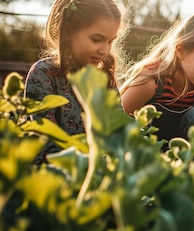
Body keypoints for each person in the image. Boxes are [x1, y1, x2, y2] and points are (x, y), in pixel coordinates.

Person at [24, 0, 125, 164]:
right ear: (69, 31)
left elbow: (119, 133)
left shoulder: (104, 80)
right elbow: (47, 144)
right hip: (54, 178)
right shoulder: (44, 75)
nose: (105, 50)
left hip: (98, 176)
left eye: (110, 41)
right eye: (97, 39)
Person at [119, 13, 194, 149]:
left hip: (190, 156)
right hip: (149, 155)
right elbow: (115, 121)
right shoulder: (151, 82)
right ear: (180, 51)